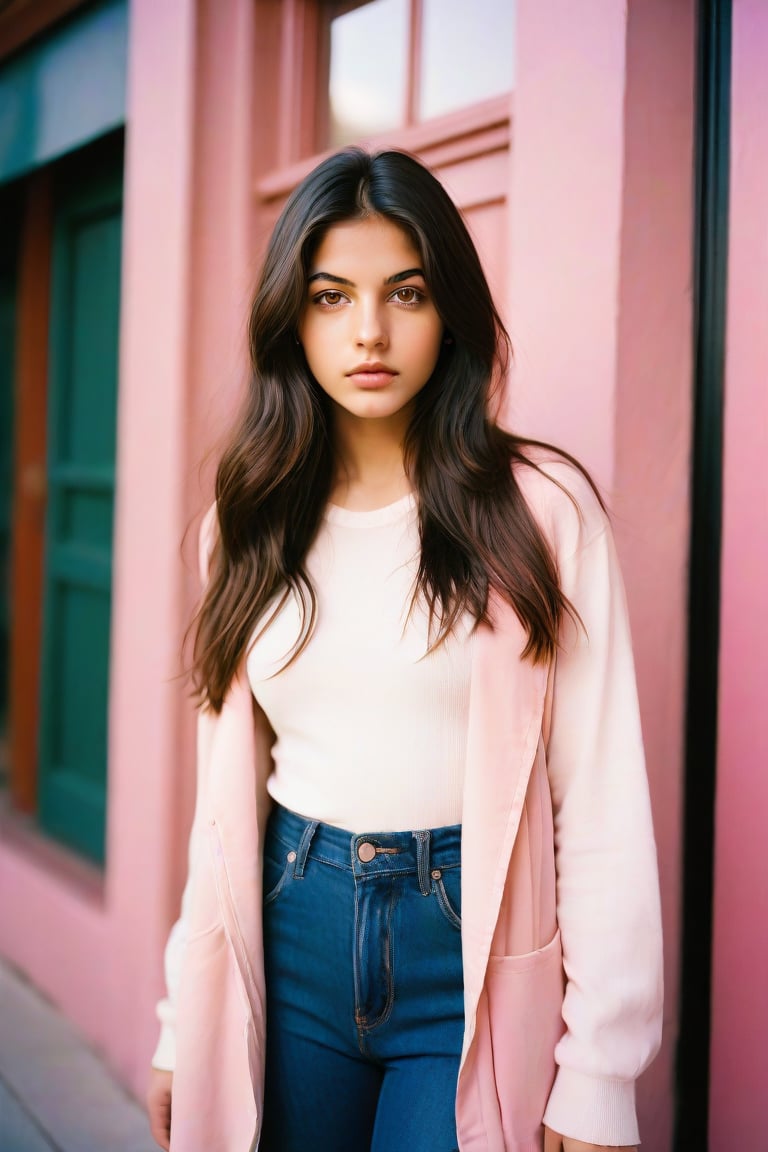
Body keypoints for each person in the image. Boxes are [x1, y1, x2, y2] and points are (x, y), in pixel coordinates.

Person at [146, 147, 663, 1152]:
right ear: (291, 318)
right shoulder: (244, 525)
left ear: (449, 311)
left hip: (467, 950)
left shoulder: (541, 515)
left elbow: (598, 799)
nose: (368, 331)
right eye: (332, 296)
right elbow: (223, 810)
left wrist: (600, 1074)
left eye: (406, 293)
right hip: (287, 931)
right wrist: (181, 1018)